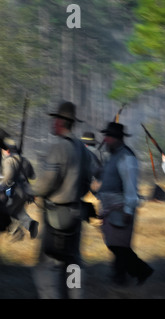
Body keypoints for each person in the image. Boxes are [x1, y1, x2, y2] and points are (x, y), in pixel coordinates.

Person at [31, 101, 93, 299]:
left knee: (47, 267)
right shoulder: (83, 150)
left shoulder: (58, 148)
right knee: (73, 262)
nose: (52, 123)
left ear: (60, 122)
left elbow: (48, 182)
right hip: (76, 212)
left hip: (56, 216)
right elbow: (87, 181)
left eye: (54, 119)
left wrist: (33, 191)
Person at [97, 122, 153, 286]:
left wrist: (128, 210)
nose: (105, 140)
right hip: (110, 207)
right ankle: (121, 276)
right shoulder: (113, 156)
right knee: (115, 245)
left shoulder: (126, 157)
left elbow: (130, 186)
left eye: (108, 136)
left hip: (120, 207)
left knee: (119, 246)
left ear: (117, 138)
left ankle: (139, 271)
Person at [0, 137, 38, 241]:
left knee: (5, 212)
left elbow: (8, 177)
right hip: (26, 193)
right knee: (19, 211)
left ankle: (16, 232)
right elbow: (33, 176)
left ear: (7, 150)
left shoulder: (8, 161)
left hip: (13, 192)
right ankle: (31, 224)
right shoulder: (25, 160)